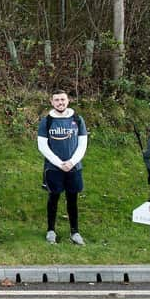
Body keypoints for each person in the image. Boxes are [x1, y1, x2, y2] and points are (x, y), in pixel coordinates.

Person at [37, 89, 88, 246]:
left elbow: (83, 144)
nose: (60, 102)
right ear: (52, 102)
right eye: (57, 100)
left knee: (72, 200)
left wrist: (71, 162)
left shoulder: (77, 119)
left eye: (63, 99)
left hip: (74, 167)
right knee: (53, 198)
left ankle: (75, 232)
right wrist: (59, 163)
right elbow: (42, 146)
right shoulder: (47, 121)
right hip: (53, 169)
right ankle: (51, 231)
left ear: (68, 101)